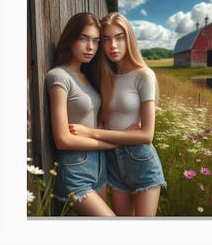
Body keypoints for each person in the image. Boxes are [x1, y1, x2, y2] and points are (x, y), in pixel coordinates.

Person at [69, 12, 166, 216]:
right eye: (106, 39)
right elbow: (102, 117)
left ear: (128, 39)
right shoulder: (102, 76)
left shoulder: (144, 75)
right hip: (112, 163)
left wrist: (92, 133)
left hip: (141, 161)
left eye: (119, 37)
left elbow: (146, 135)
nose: (113, 45)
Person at [45, 12, 117, 216]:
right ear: (71, 38)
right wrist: (109, 143)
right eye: (84, 39)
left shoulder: (86, 76)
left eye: (95, 41)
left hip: (99, 167)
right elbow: (62, 139)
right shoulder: (58, 76)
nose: (90, 47)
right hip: (76, 169)